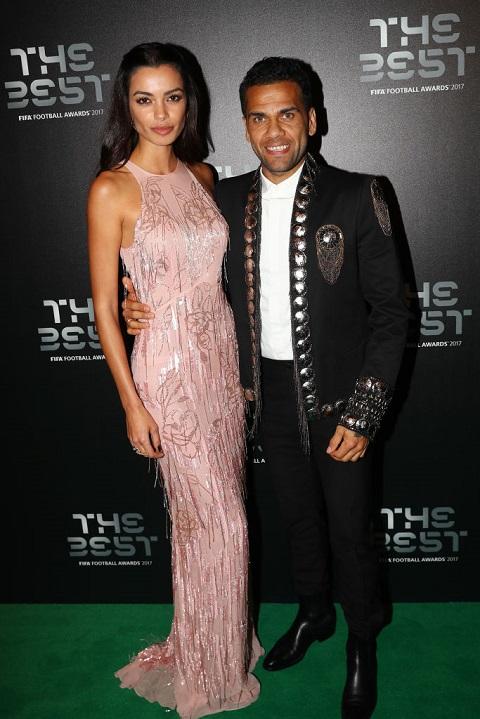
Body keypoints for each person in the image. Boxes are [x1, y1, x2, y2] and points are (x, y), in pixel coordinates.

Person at [124, 56, 409, 719]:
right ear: (245, 125)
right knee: (297, 516)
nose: (273, 131)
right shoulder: (224, 198)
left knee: (350, 527)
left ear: (312, 120)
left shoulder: (359, 193)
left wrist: (366, 410)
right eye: (258, 117)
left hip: (341, 396)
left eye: (286, 114)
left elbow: (392, 314)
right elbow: (186, 270)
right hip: (263, 392)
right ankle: (314, 614)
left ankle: (362, 638)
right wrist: (138, 305)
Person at [87, 42, 262, 719]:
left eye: (172, 97)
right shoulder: (111, 188)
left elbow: (210, 278)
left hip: (220, 366)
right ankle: (211, 671)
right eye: (144, 99)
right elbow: (107, 308)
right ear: (125, 107)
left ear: (189, 102)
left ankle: (211, 642)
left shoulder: (203, 175)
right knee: (224, 522)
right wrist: (131, 404)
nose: (160, 113)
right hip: (165, 370)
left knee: (206, 522)